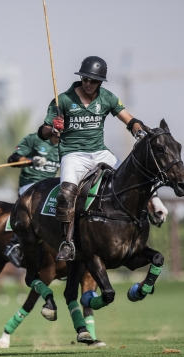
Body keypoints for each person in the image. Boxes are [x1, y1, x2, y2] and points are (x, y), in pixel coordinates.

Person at [38, 55, 150, 261]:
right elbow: (42, 131)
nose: (88, 84)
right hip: (73, 155)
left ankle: (144, 219)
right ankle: (67, 242)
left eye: (93, 80)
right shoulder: (62, 100)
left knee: (132, 178)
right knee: (67, 194)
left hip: (100, 152)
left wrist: (138, 130)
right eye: (85, 79)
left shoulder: (107, 97)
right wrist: (53, 127)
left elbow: (129, 119)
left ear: (100, 82)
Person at [2, 131, 60, 267]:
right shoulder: (34, 139)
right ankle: (14, 243)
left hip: (49, 185)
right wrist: (29, 161)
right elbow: (13, 160)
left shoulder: (67, 143)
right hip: (30, 185)